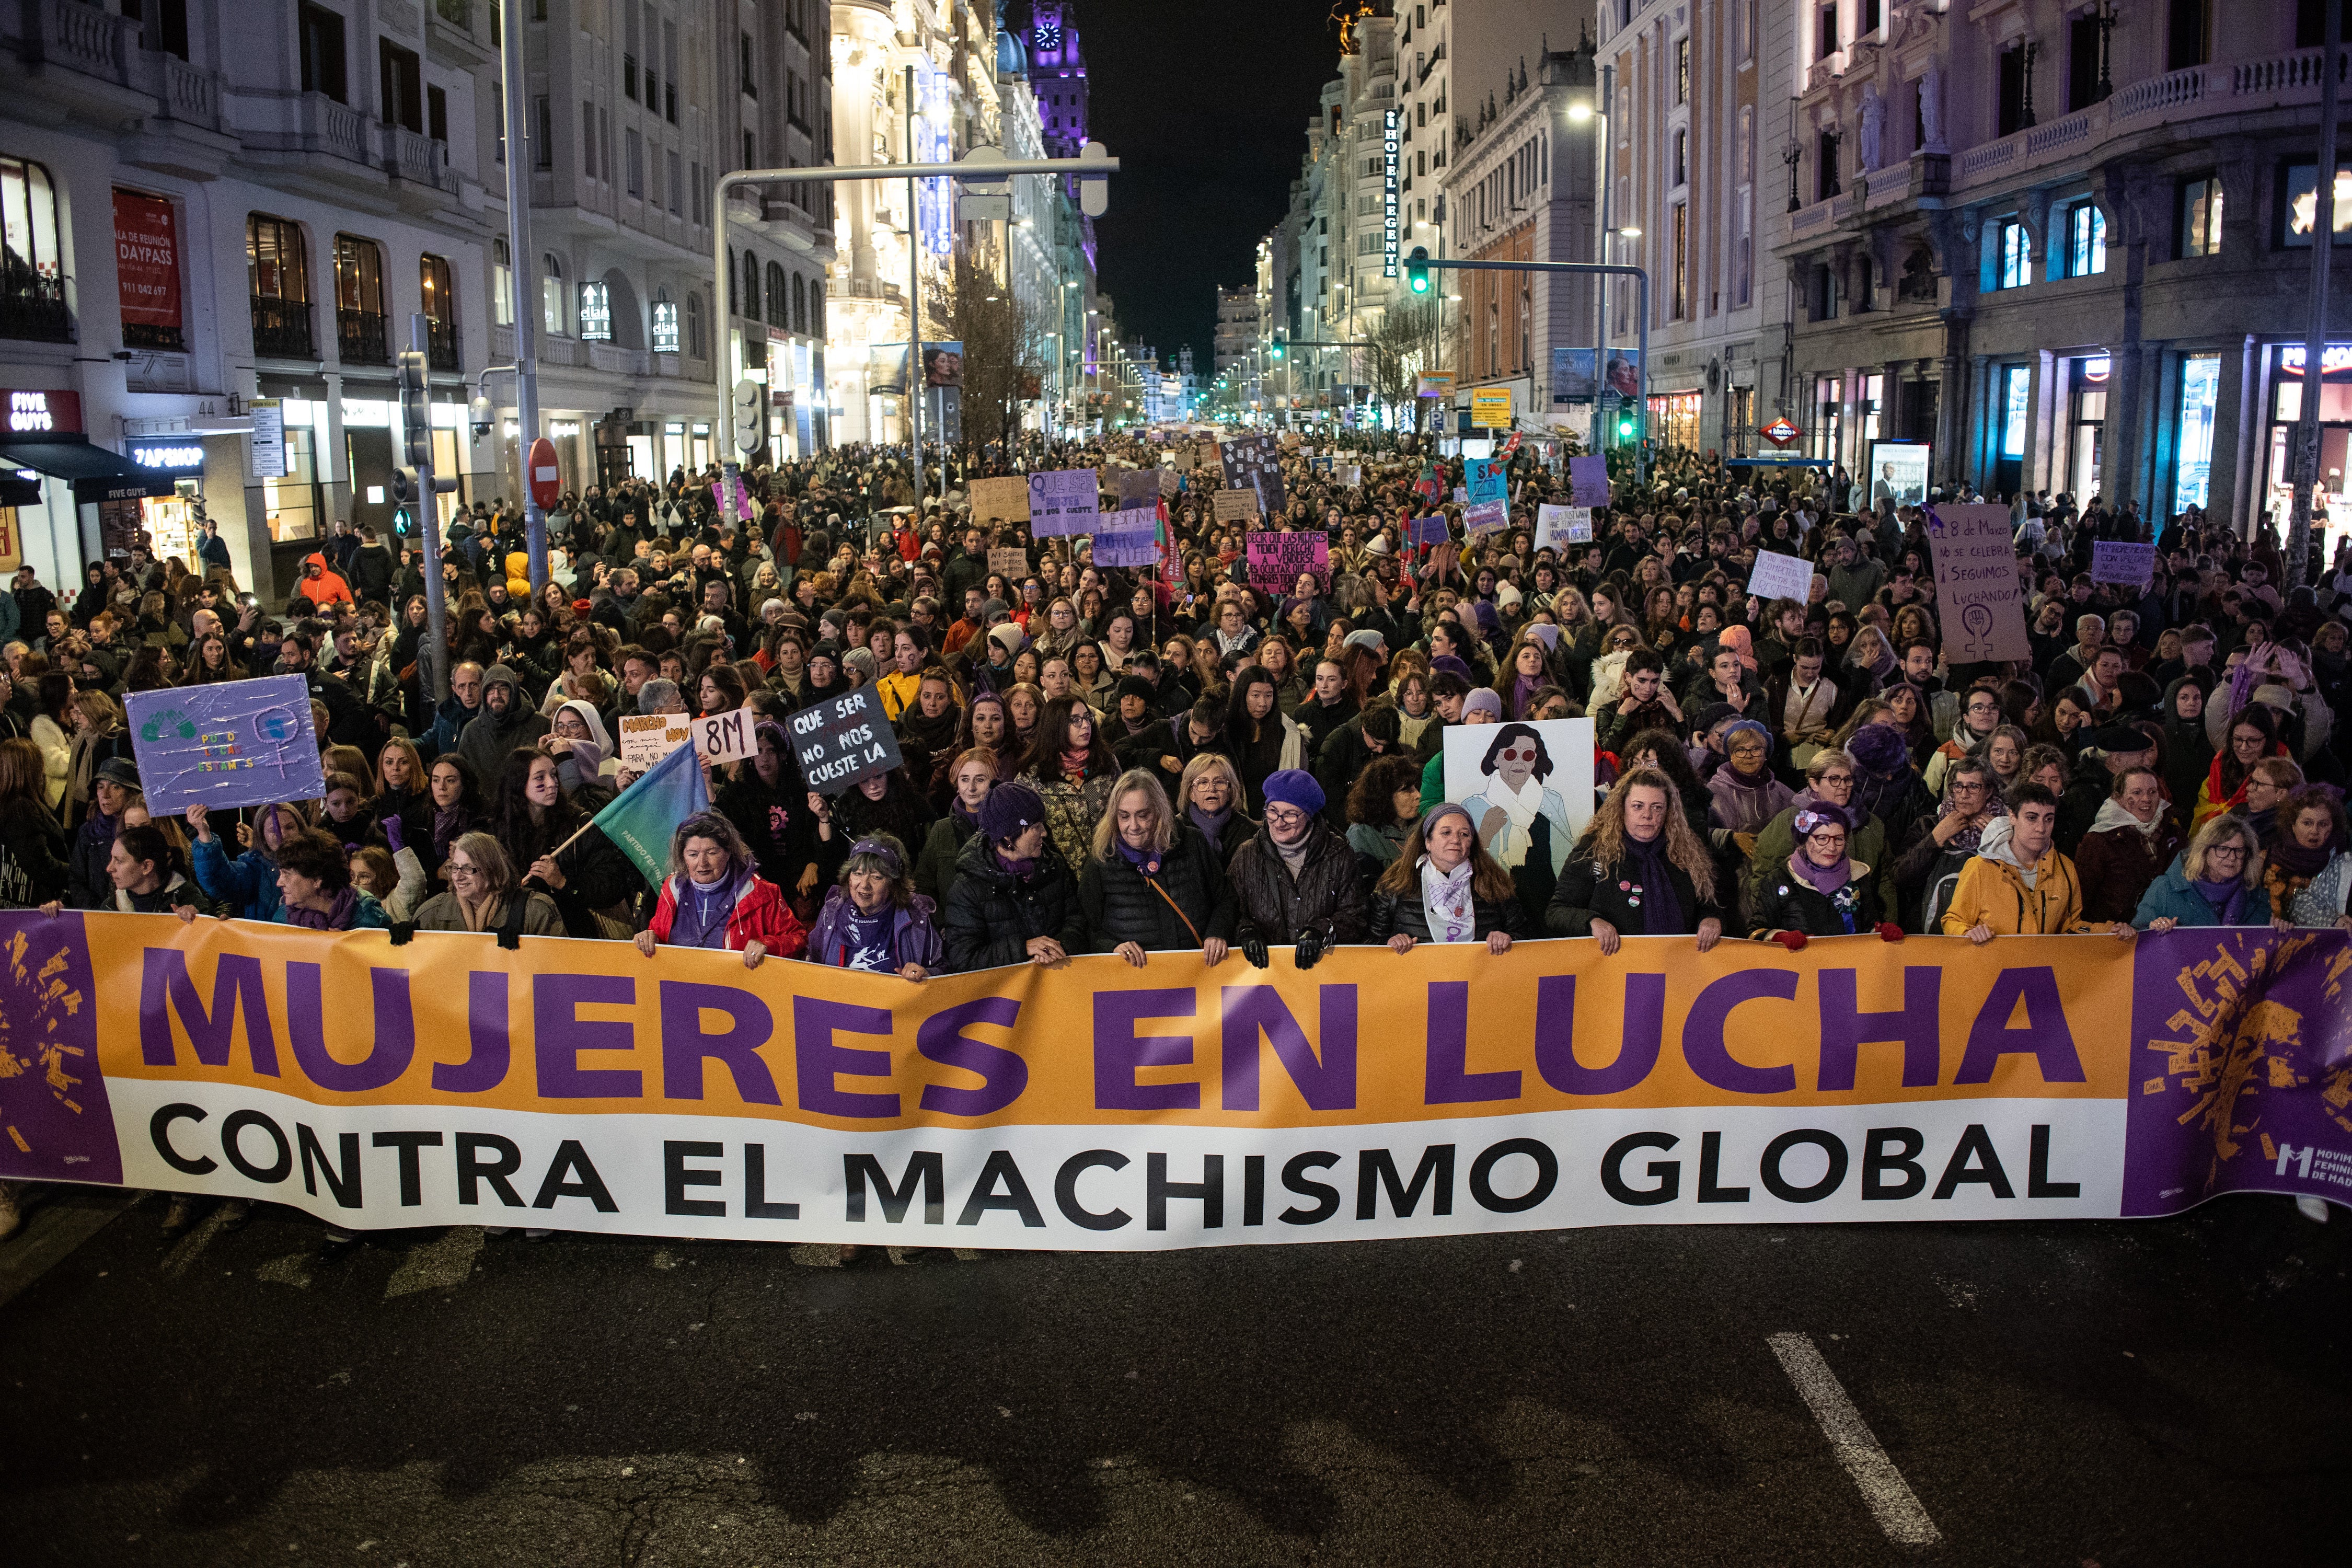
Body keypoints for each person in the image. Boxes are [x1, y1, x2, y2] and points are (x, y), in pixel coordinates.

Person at [1547, 769, 1725, 954]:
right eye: (1638, 806)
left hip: (1679, 963)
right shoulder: (1595, 850)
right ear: (1622, 808)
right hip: (1614, 964)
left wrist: (1711, 918)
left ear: (1668, 812)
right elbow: (1557, 911)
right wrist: (1593, 922)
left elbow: (1709, 904)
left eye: (1657, 807)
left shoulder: (1687, 851)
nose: (1647, 815)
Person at [1079, 768, 1237, 967]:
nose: (1133, 826)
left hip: (1197, 972)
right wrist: (1111, 947)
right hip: (1135, 977)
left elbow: (1225, 898)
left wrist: (1217, 933)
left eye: (1143, 816)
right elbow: (1086, 925)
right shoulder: (1101, 859)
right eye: (1124, 816)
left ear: (1159, 811)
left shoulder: (1192, 842)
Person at [1942, 783, 2131, 942]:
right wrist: (1967, 932)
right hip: (1994, 968)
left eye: (2048, 819)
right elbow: (1953, 920)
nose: (2041, 828)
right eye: (2032, 818)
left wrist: (2108, 931)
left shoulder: (2065, 867)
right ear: (2013, 817)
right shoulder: (1980, 867)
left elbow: (2071, 926)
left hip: (2042, 969)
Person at [1226, 769, 1367, 969]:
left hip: (1323, 972)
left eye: (1290, 815)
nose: (1279, 822)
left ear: (1309, 815)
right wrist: (1245, 931)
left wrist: (1321, 930)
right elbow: (1230, 910)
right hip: (1265, 973)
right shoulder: (1247, 854)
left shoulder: (1339, 855)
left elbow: (1356, 915)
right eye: (1272, 811)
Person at [941, 779, 1087, 972]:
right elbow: (963, 958)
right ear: (1008, 837)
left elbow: (1076, 920)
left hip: (1057, 980)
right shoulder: (969, 886)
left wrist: (1057, 947)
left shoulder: (1052, 866)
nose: (1044, 833)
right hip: (1008, 990)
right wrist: (1023, 949)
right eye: (1035, 827)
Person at [633, 811, 806, 966]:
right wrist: (649, 937)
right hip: (681, 986)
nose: (702, 863)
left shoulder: (761, 892)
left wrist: (768, 945)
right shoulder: (672, 889)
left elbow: (799, 939)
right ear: (683, 856)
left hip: (739, 989)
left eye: (712, 853)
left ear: (728, 852)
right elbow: (658, 934)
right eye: (693, 854)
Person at [1370, 801, 1529, 953]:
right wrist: (1390, 943)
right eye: (1446, 833)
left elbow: (1525, 937)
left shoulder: (1496, 885)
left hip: (1480, 972)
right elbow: (1370, 942)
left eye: (1464, 834)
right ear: (1428, 842)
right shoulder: (1395, 886)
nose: (1455, 840)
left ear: (1472, 843)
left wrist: (1508, 939)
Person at [1749, 806, 1902, 947]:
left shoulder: (1858, 877)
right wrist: (1779, 937)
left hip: (1850, 963)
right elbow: (1756, 932)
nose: (1832, 847)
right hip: (1799, 965)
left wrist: (1879, 931)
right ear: (1805, 839)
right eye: (1822, 838)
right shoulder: (1780, 880)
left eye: (1839, 839)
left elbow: (1869, 925)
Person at [803, 833, 945, 978]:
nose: (864, 885)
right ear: (848, 877)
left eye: (876, 877)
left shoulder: (915, 918)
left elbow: (944, 969)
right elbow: (811, 966)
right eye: (858, 874)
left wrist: (926, 974)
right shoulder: (832, 912)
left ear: (893, 883)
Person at [2073, 766, 2187, 925]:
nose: (2146, 799)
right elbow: (2081, 899)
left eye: (2152, 792)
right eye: (2137, 793)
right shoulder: (2097, 841)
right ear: (2118, 798)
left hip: (2168, 930)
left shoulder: (2176, 836)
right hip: (2115, 934)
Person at [2134, 815, 2279, 932]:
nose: (2232, 857)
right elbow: (2137, 937)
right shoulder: (2165, 888)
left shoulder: (2257, 896)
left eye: (2239, 851)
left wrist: (2281, 930)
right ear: (2204, 851)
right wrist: (2153, 928)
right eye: (2223, 849)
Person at [407, 831, 565, 937]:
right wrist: (403, 947)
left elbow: (558, 968)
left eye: (468, 868)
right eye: (454, 868)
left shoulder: (536, 911)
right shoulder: (430, 914)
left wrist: (526, 951)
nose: (458, 877)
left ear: (492, 870)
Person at [915, 746, 997, 905]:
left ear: (994, 783)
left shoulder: (1008, 827)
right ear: (957, 784)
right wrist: (941, 919)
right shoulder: (942, 830)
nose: (971, 788)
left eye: (980, 780)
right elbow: (923, 885)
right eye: (965, 779)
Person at [2263, 785, 2352, 928]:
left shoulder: (2340, 864)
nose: (2314, 831)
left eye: (2323, 824)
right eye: (2307, 823)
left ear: (2332, 827)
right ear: (2293, 824)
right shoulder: (2268, 858)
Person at [267, 828, 391, 930]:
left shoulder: (371, 922)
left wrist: (344, 948)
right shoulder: (282, 919)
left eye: (287, 874)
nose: (279, 883)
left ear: (317, 879)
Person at [0, 735, 68, 907]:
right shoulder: (22, 809)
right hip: (37, 908)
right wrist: (79, 874)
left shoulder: (9, 804)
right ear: (31, 769)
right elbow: (40, 865)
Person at [1345, 752, 1426, 882]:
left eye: (1415, 787)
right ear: (1384, 797)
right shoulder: (1361, 836)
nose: (1418, 795)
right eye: (1407, 790)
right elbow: (1364, 888)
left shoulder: (1422, 827)